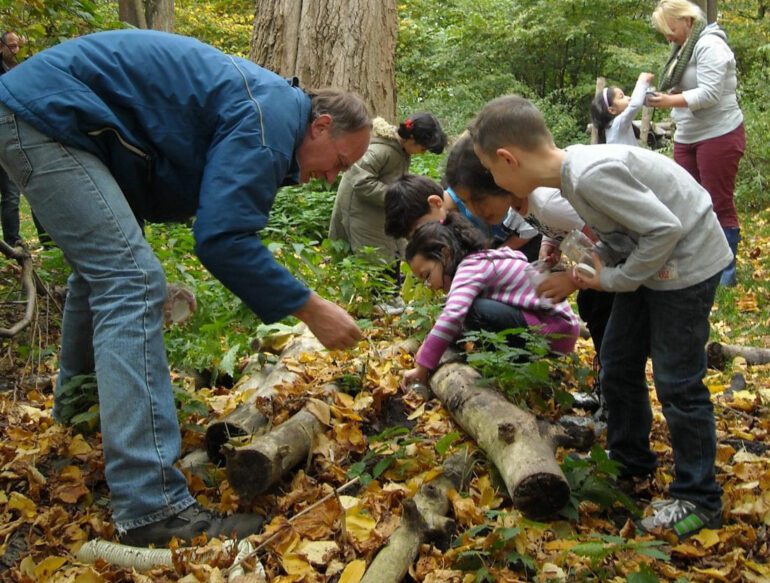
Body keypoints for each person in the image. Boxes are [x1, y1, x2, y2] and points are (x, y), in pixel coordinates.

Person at [0, 30, 371, 547]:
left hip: (50, 115)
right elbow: (221, 238)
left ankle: (76, 420)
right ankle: (152, 507)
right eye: (342, 162)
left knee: (102, 275)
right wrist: (309, 308)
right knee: (131, 280)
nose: (334, 178)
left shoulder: (268, 110)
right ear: (322, 126)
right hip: (51, 117)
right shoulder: (272, 119)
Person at [470, 94, 732, 539]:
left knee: (678, 382)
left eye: (491, 171)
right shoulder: (572, 176)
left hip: (686, 267)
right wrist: (587, 269)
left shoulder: (587, 174)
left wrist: (612, 280)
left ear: (507, 159)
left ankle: (699, 497)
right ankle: (630, 463)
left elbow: (665, 229)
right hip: (650, 266)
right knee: (618, 360)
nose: (494, 179)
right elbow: (622, 232)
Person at [400, 211, 579, 388]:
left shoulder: (470, 268)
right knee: (467, 311)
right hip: (558, 326)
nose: (429, 285)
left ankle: (513, 367)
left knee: (472, 311)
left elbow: (453, 315)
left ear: (445, 254)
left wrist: (422, 367)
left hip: (555, 328)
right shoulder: (480, 261)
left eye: (427, 275)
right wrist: (430, 345)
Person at [647, 0, 745, 286]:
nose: (668, 36)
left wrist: (669, 100)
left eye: (671, 29)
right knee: (689, 200)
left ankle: (725, 272)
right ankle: (701, 264)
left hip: (719, 132)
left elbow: (711, 94)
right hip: (687, 134)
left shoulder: (710, 45)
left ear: (687, 20)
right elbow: (689, 87)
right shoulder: (682, 49)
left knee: (717, 201)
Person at [328, 112, 446, 264]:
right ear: (411, 139)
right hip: (360, 215)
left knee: (392, 261)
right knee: (375, 267)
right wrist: (397, 197)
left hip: (376, 215)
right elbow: (360, 181)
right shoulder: (382, 150)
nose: (422, 154)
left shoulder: (400, 150)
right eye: (423, 149)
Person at [0, 32, 23, 247]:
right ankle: (12, 240)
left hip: (14, 136)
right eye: (12, 46)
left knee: (12, 193)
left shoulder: (18, 70)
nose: (15, 51)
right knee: (10, 193)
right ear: (1, 46)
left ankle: (14, 239)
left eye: (18, 46)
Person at [590, 72, 655, 145]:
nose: (628, 98)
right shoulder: (617, 124)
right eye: (622, 97)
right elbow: (635, 105)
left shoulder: (614, 126)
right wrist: (643, 81)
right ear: (612, 110)